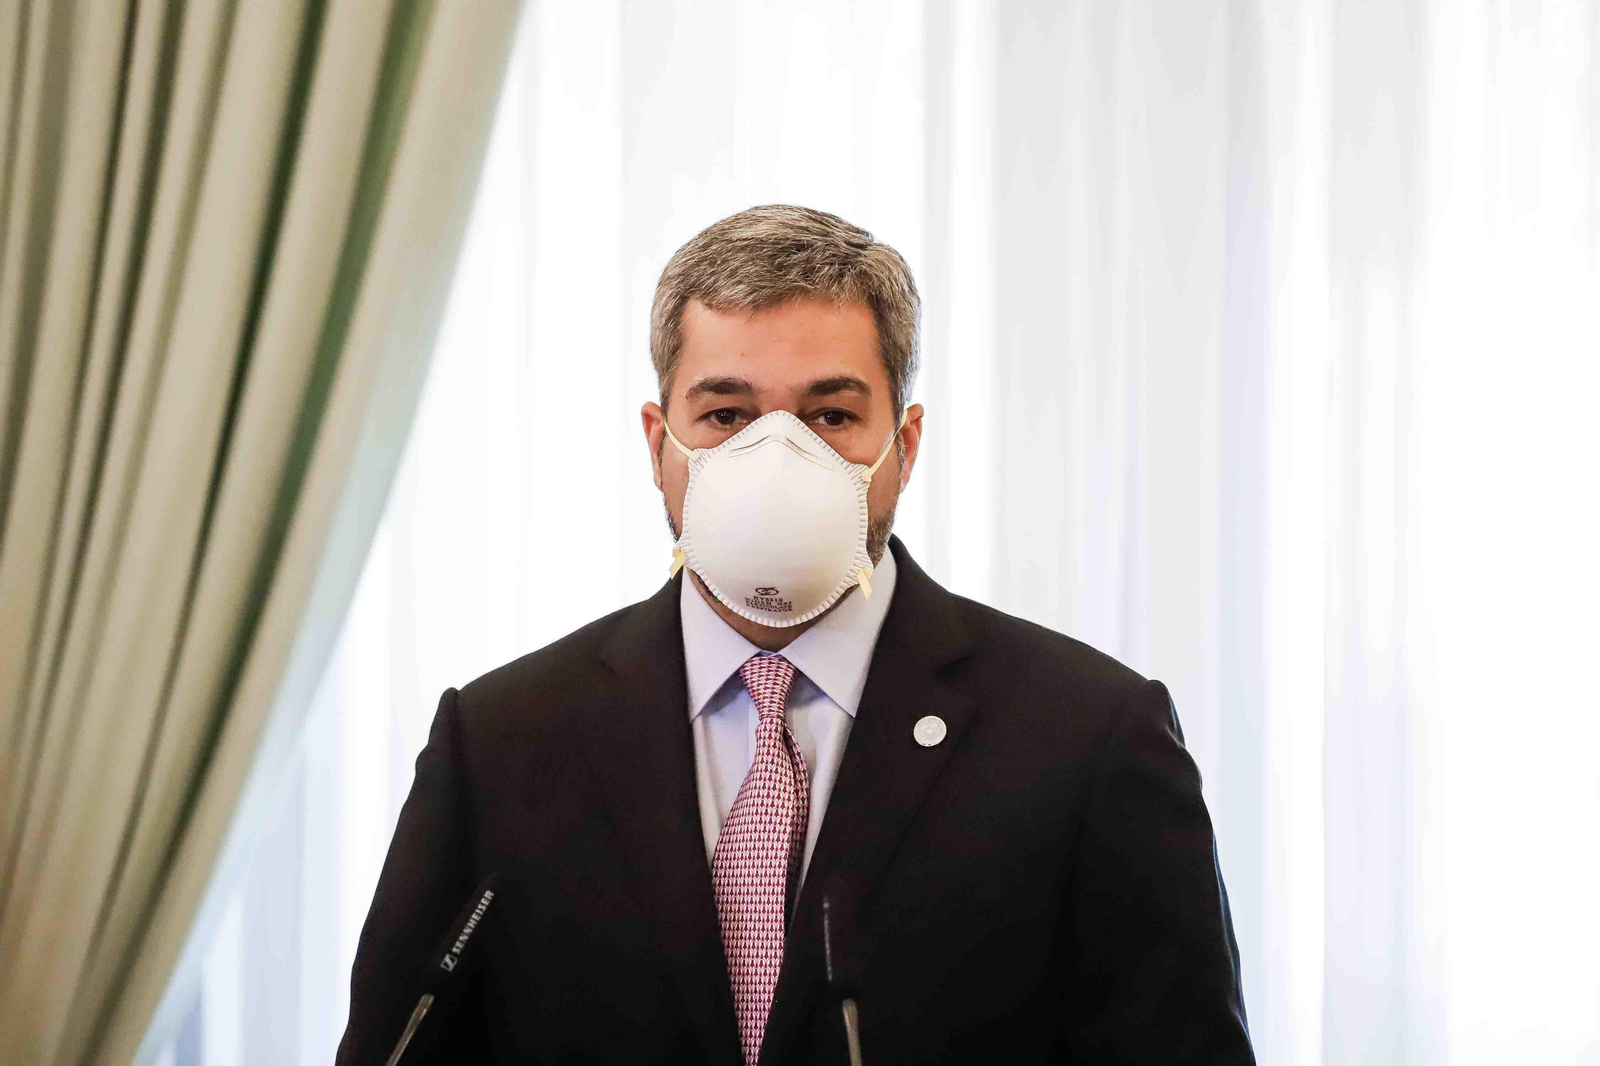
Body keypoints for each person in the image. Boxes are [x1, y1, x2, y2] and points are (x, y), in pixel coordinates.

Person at [335, 205, 1253, 1065]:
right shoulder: (502, 742)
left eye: (830, 416)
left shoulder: (1089, 738)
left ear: (906, 443)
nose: (778, 462)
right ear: (659, 444)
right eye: (728, 416)